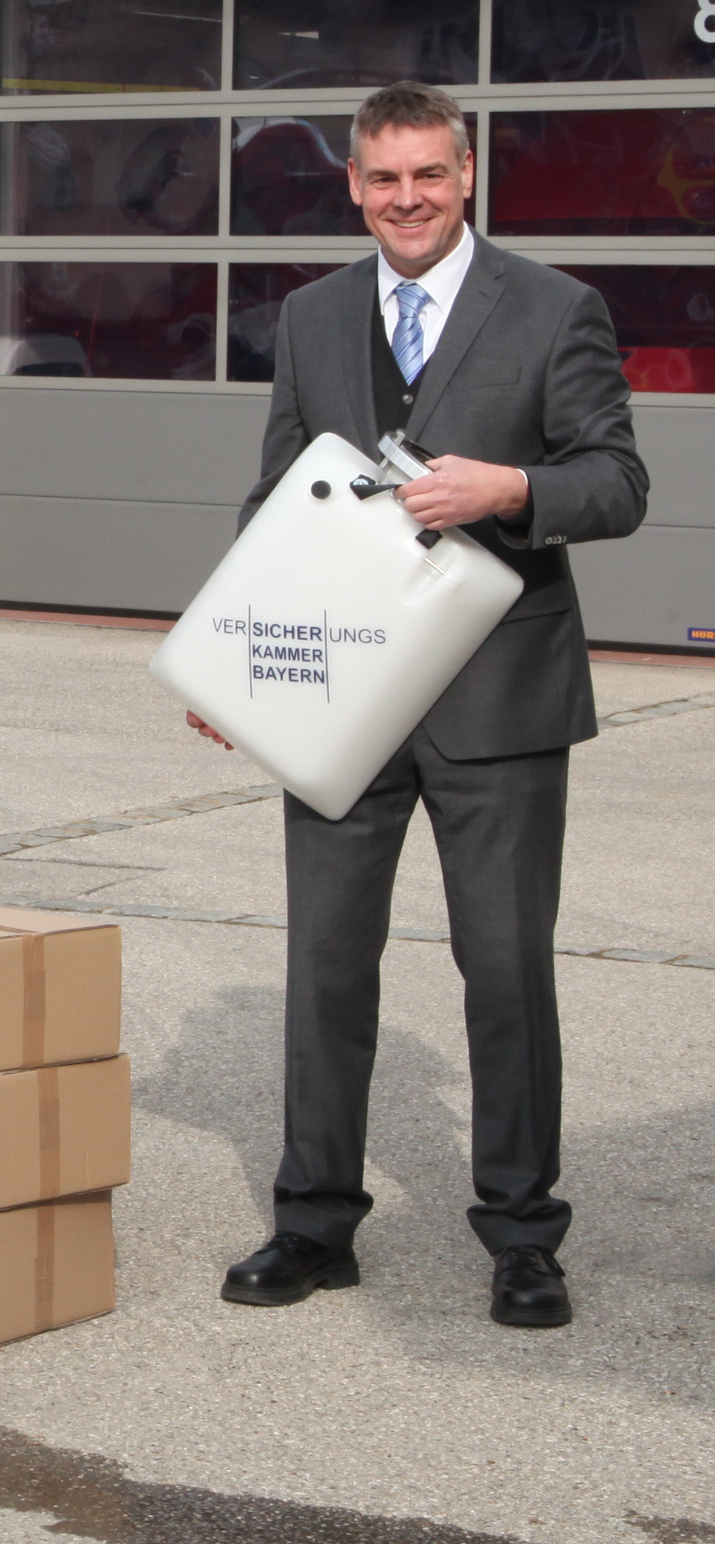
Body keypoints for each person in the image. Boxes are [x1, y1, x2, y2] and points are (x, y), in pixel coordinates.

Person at [207, 81, 643, 1329]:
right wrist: (241, 659)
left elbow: (615, 480)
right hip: (343, 692)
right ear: (354, 184)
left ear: (467, 175)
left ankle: (521, 1233)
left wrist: (510, 485)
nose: (408, 198)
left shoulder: (559, 308)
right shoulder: (309, 314)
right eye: (384, 178)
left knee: (504, 968)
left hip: (499, 698)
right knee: (326, 966)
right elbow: (277, 499)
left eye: (429, 175)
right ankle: (313, 1222)